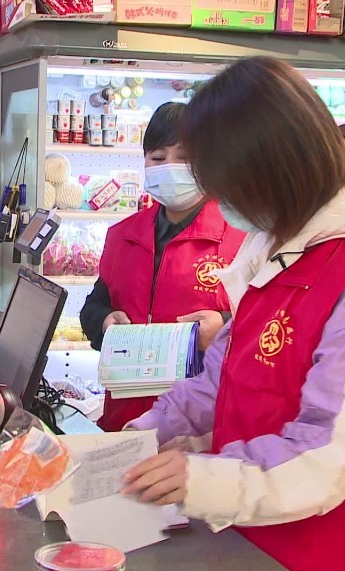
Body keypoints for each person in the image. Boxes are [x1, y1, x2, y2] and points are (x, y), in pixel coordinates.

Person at [122, 57, 345, 571]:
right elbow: (220, 381)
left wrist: (203, 479)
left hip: (330, 553)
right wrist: (141, 436)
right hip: (254, 541)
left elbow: (329, 453)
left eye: (228, 185)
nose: (221, 201)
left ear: (271, 169)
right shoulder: (273, 250)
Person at [79, 102, 245, 433]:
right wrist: (104, 321)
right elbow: (94, 306)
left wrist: (224, 327)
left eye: (184, 158)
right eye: (158, 158)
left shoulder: (241, 238)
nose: (170, 167)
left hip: (201, 429)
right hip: (124, 420)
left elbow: (268, 327)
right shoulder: (123, 235)